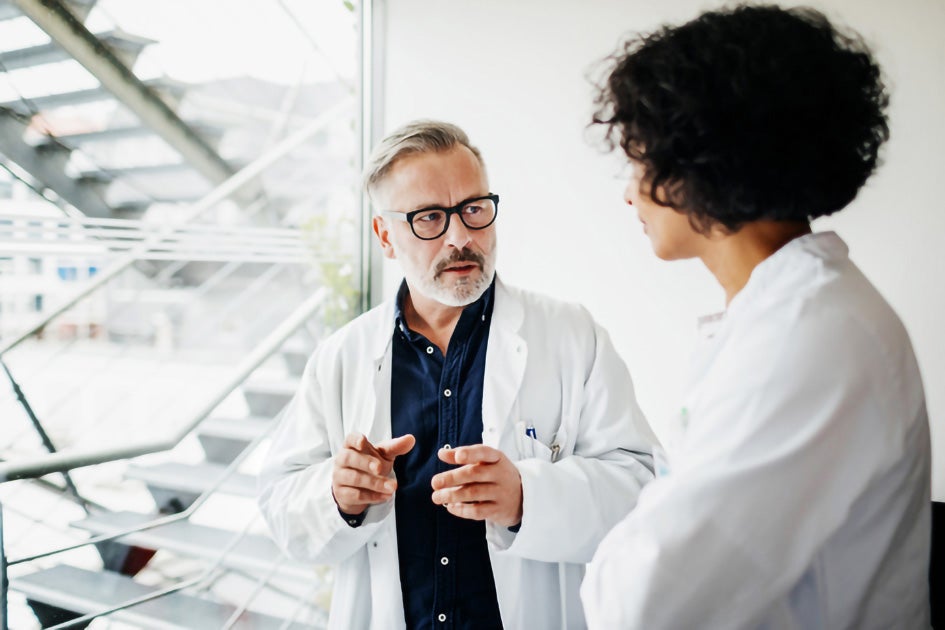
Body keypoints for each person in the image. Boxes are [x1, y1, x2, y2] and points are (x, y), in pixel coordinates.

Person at [580, 4, 932, 628]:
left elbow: (646, 605)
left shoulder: (812, 338)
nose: (629, 189)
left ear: (703, 159)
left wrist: (627, 542)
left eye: (640, 156)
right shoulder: (788, 315)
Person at [258, 119, 656, 629]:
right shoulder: (342, 356)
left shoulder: (571, 335)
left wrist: (525, 498)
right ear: (384, 235)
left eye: (473, 209)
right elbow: (281, 506)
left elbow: (640, 489)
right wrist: (337, 497)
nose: (461, 237)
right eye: (429, 217)